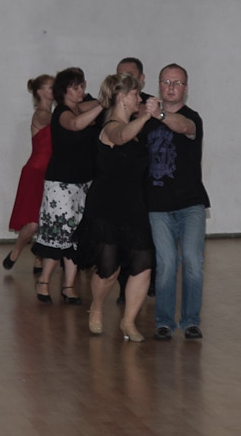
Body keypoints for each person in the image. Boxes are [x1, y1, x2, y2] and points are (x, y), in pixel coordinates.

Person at [76, 73, 160, 341]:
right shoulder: (111, 126)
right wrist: (146, 117)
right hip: (106, 206)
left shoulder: (135, 129)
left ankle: (128, 322)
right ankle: (97, 306)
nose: (139, 98)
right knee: (108, 269)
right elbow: (121, 136)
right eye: (136, 94)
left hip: (133, 206)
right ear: (122, 97)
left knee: (143, 263)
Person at [141, 64, 210, 340]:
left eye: (177, 82)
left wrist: (158, 113)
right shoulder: (145, 121)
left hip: (190, 204)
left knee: (192, 261)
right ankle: (164, 322)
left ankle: (191, 320)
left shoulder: (192, 118)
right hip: (157, 205)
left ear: (186, 88)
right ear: (159, 85)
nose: (171, 87)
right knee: (167, 263)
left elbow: (183, 127)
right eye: (166, 81)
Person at [31, 67, 103, 304]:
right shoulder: (61, 113)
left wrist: (107, 99)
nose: (81, 90)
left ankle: (68, 286)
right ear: (64, 91)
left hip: (84, 183)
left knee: (76, 236)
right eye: (75, 87)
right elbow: (75, 124)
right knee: (59, 235)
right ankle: (44, 281)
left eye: (82, 85)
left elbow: (88, 108)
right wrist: (103, 104)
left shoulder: (81, 107)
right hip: (61, 184)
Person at [112, 57, 155, 306]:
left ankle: (151, 281)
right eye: (120, 75)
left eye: (129, 74)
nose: (125, 79)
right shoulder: (113, 109)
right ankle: (124, 287)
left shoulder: (151, 106)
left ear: (142, 78)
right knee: (124, 240)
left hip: (150, 181)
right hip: (123, 186)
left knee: (150, 235)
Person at [3, 74, 55, 274]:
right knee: (33, 223)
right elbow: (61, 123)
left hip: (51, 171)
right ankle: (17, 250)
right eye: (51, 87)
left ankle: (39, 258)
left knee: (47, 219)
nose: (55, 90)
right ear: (40, 92)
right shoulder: (42, 114)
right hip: (36, 171)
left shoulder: (54, 113)